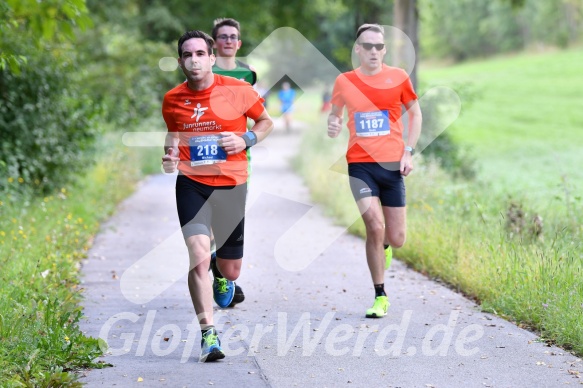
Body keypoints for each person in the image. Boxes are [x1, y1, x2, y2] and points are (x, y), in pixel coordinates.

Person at [161, 30, 273, 362]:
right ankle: (208, 334)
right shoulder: (172, 99)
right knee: (196, 255)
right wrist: (170, 155)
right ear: (180, 61)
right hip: (192, 184)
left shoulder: (238, 89)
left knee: (232, 270)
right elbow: (174, 132)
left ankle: (220, 271)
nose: (193, 59)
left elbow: (266, 122)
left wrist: (247, 139)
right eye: (187, 54)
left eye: (199, 53)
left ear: (211, 58)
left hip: (231, 184)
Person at [327, 24, 422, 319]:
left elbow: (415, 113)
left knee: (397, 237)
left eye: (378, 46)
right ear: (358, 49)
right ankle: (380, 295)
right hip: (360, 165)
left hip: (392, 165)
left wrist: (408, 151)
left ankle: (385, 247)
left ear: (384, 50)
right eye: (367, 46)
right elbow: (335, 115)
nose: (373, 51)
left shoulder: (398, 77)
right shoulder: (344, 81)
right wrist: (332, 124)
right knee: (373, 224)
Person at [210, 17, 257, 308]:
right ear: (214, 42)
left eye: (233, 37)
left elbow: (254, 110)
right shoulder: (202, 68)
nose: (228, 41)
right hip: (205, 154)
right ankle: (220, 266)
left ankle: (221, 270)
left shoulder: (248, 74)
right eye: (223, 36)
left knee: (230, 218)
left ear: (239, 43)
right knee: (210, 218)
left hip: (238, 156)